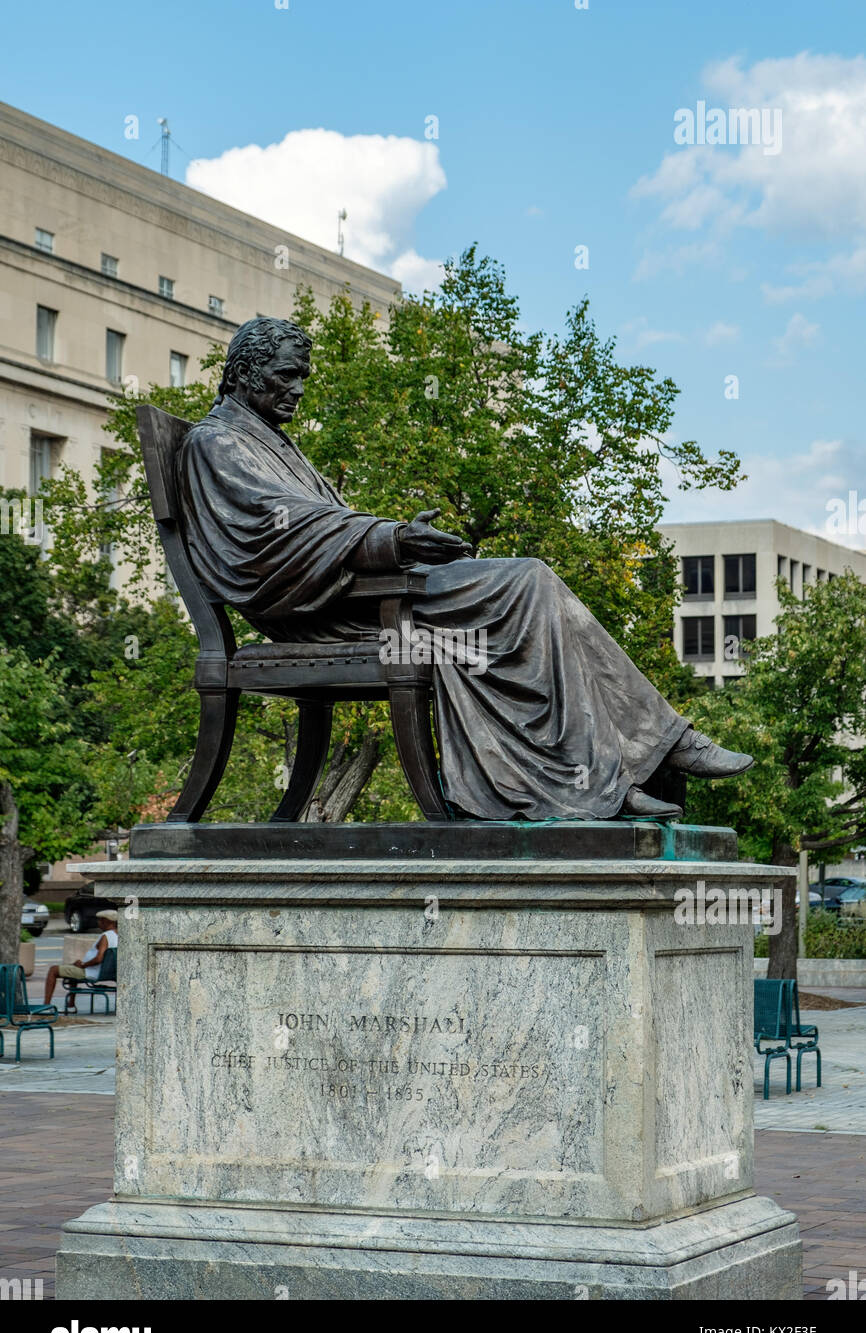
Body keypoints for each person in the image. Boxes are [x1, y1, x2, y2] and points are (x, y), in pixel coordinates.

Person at [176, 317, 753, 822]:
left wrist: (393, 538)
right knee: (527, 580)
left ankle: (620, 769)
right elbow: (270, 539)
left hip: (358, 590)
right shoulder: (216, 442)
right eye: (285, 376)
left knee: (531, 598)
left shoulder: (271, 443)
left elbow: (319, 524)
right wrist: (394, 539)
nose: (297, 389)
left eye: (303, 375)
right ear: (243, 373)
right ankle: (628, 764)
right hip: (323, 610)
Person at [43, 910, 118, 1006]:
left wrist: (83, 965)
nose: (98, 923)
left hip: (91, 972)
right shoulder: (117, 935)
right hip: (104, 972)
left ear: (107, 921)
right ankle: (71, 1002)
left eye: (100, 920)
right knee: (73, 966)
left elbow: (99, 958)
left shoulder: (106, 936)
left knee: (53, 970)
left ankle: (46, 1004)